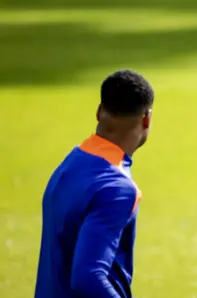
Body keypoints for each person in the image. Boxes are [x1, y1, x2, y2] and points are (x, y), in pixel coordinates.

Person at [35, 69, 155, 298]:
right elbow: (88, 276)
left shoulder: (72, 162)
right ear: (146, 119)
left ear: (99, 111)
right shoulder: (118, 189)